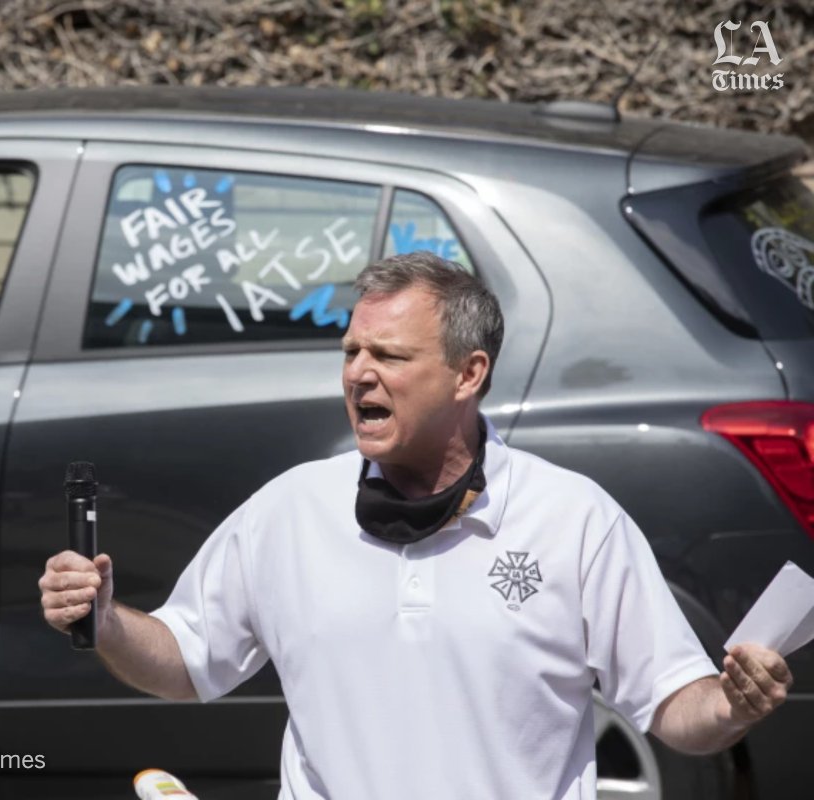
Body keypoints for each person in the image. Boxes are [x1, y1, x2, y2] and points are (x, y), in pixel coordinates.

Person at [39, 252, 793, 799]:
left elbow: (674, 705)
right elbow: (184, 660)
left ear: (469, 374)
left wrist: (732, 704)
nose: (358, 374)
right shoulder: (290, 510)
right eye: (351, 352)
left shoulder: (574, 519)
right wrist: (106, 620)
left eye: (389, 355)